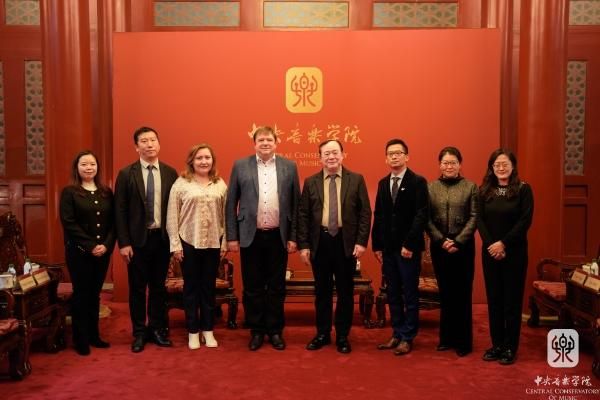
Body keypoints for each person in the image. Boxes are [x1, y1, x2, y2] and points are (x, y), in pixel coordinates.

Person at [225, 126, 300, 351]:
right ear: (254, 143)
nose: (265, 143)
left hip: (278, 235)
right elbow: (231, 203)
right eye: (261, 140)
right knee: (253, 287)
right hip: (250, 236)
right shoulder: (240, 165)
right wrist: (232, 236)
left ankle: (275, 331)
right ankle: (256, 330)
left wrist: (294, 237)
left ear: (276, 142)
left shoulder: (289, 166)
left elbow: (296, 204)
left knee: (276, 287)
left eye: (269, 140)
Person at [298, 139, 371, 354]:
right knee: (322, 292)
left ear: (342, 154)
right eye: (326, 153)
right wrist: (304, 245)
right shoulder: (310, 182)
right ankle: (322, 333)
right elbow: (303, 215)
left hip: (345, 242)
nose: (331, 157)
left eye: (335, 152)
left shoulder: (356, 179)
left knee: (345, 292)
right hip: (320, 242)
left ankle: (342, 336)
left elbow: (365, 213)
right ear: (320, 157)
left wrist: (361, 241)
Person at [114, 126, 178, 353]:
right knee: (138, 289)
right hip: (136, 242)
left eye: (153, 140)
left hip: (162, 240)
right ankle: (140, 332)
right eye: (144, 141)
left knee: (159, 288)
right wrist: (124, 243)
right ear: (136, 147)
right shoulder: (126, 174)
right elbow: (119, 210)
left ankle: (158, 329)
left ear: (159, 144)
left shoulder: (170, 173)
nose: (149, 144)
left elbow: (176, 209)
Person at [166, 143, 227, 350]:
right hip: (188, 242)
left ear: (212, 161)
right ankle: (193, 331)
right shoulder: (181, 183)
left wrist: (225, 242)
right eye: (199, 158)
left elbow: (226, 215)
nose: (203, 161)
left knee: (208, 288)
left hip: (213, 242)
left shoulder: (220, 184)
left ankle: (208, 330)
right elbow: (172, 215)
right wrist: (175, 245)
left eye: (207, 158)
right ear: (191, 161)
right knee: (191, 288)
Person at [372, 138, 428, 356]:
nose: (394, 156)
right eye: (390, 153)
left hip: (408, 249)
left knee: (409, 293)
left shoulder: (418, 182)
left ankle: (408, 336)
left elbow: (421, 214)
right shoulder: (382, 183)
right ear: (386, 158)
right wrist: (377, 245)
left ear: (407, 156)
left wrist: (410, 243)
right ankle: (396, 333)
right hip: (388, 249)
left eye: (398, 153)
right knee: (392, 292)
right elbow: (379, 215)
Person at [478, 148, 533, 365]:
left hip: (514, 253)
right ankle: (497, 345)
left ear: (513, 166)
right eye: (497, 165)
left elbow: (525, 221)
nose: (501, 168)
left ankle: (510, 347)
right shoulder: (484, 190)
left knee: (512, 301)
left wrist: (503, 243)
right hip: (490, 252)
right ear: (491, 168)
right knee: (494, 300)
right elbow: (479, 220)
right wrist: (492, 245)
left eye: (505, 164)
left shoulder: (523, 189)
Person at [59, 150, 115, 356]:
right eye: (84, 164)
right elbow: (69, 223)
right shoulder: (69, 192)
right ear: (77, 167)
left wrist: (106, 245)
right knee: (81, 294)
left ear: (97, 167)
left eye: (92, 164)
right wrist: (91, 245)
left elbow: (114, 223)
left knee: (95, 294)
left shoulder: (106, 192)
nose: (89, 167)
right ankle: (80, 339)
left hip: (103, 253)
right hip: (79, 252)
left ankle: (94, 335)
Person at [427, 146, 478, 357]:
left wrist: (458, 241)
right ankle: (446, 338)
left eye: (453, 163)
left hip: (463, 248)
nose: (449, 166)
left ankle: (463, 341)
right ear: (440, 165)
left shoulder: (470, 187)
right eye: (445, 163)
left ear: (459, 165)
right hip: (440, 247)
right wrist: (441, 240)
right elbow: (427, 218)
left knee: (462, 293)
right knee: (446, 292)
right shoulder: (431, 187)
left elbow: (474, 216)